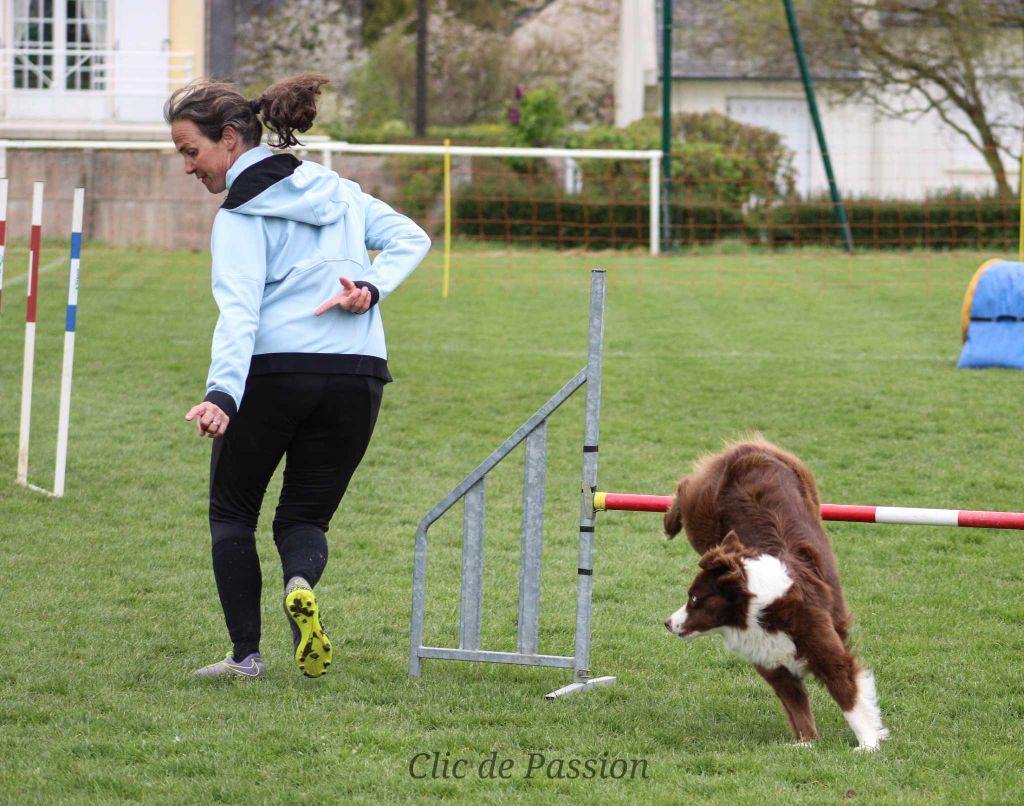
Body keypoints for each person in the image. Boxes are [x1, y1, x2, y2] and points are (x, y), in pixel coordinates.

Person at [165, 74, 431, 679]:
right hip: (358, 377)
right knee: (304, 520)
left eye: (190, 151)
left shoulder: (239, 215)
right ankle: (301, 582)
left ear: (230, 140)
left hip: (276, 374)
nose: (188, 167)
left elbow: (240, 313)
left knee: (233, 514)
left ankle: (246, 658)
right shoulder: (338, 190)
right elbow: (411, 237)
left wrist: (220, 394)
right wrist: (369, 287)